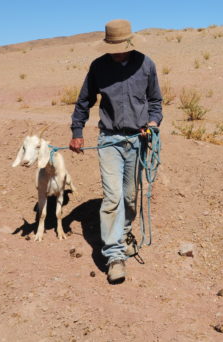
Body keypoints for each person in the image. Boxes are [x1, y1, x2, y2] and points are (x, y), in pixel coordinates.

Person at [69, 19, 163, 284]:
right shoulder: (98, 67)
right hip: (109, 140)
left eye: (121, 46)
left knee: (131, 197)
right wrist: (77, 132)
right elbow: (84, 101)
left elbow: (155, 101)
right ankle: (114, 256)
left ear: (130, 43)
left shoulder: (146, 65)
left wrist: (153, 124)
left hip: (137, 140)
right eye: (113, 47)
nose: (118, 51)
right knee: (112, 197)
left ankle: (123, 234)